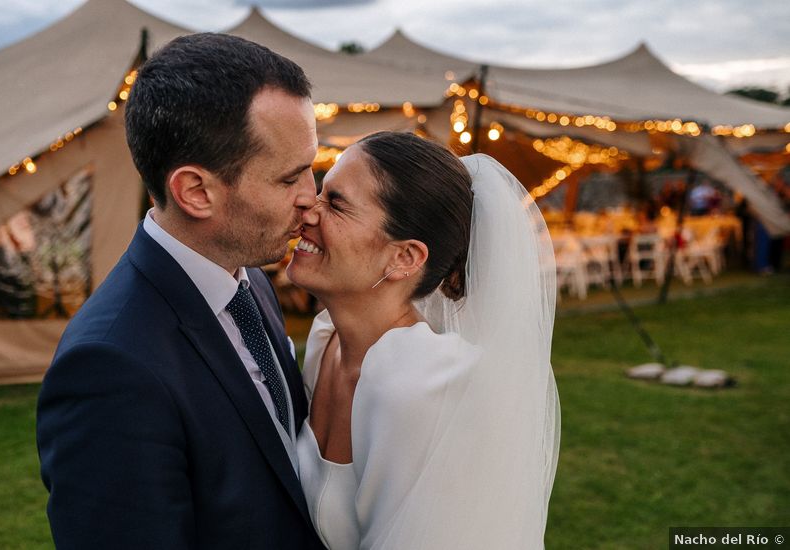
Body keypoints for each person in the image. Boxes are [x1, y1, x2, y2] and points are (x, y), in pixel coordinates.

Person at [36, 34, 325, 549]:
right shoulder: (110, 366)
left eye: (312, 168)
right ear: (196, 191)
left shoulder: (250, 281)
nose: (313, 199)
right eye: (289, 179)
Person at [288, 132, 560, 549]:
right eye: (321, 192)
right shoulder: (326, 341)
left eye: (336, 203)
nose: (308, 211)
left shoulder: (427, 384)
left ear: (404, 258)